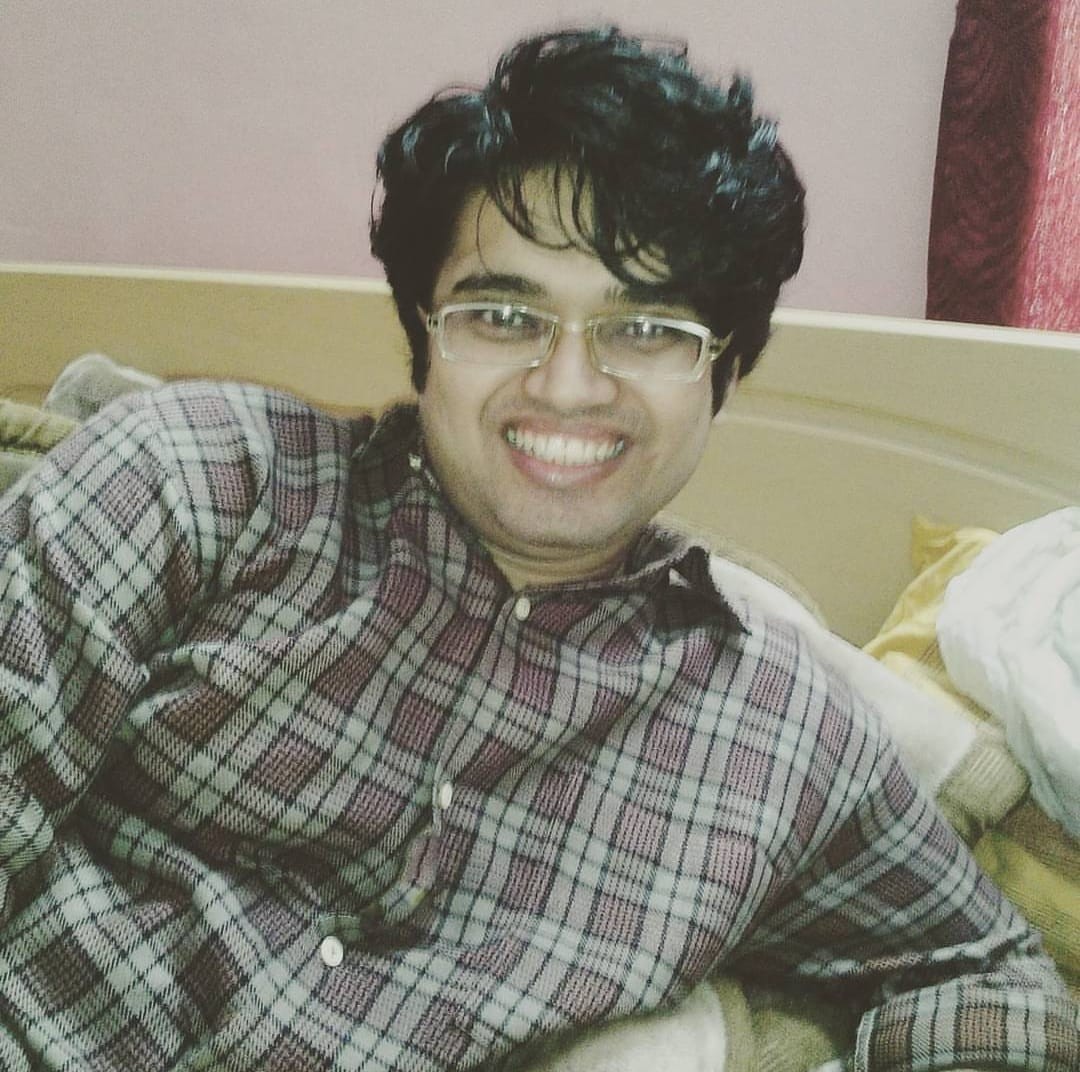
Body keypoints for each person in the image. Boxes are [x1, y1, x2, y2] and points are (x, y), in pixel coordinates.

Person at [0, 25, 1076, 1072]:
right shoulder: (200, 482)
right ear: (424, 337)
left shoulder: (782, 737)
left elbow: (987, 975)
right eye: (503, 317)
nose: (566, 386)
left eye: (646, 329)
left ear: (725, 372)